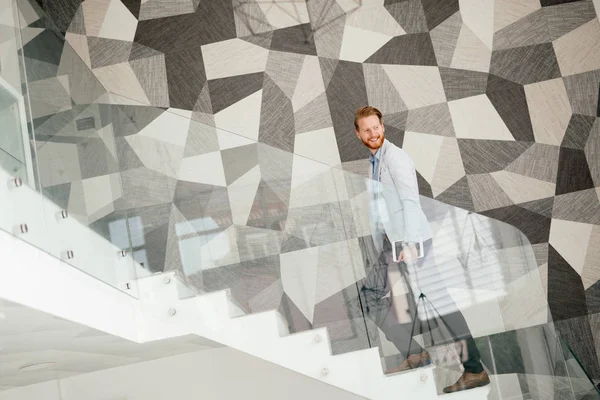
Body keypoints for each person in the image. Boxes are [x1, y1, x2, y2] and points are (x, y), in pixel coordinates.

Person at [354, 106, 490, 393]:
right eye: (366, 129)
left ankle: (475, 369)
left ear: (383, 127)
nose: (372, 133)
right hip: (392, 243)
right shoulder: (374, 162)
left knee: (441, 303)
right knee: (369, 295)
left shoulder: (396, 158)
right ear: (359, 134)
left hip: (412, 243)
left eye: (375, 127)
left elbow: (410, 201)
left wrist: (409, 244)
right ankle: (414, 354)